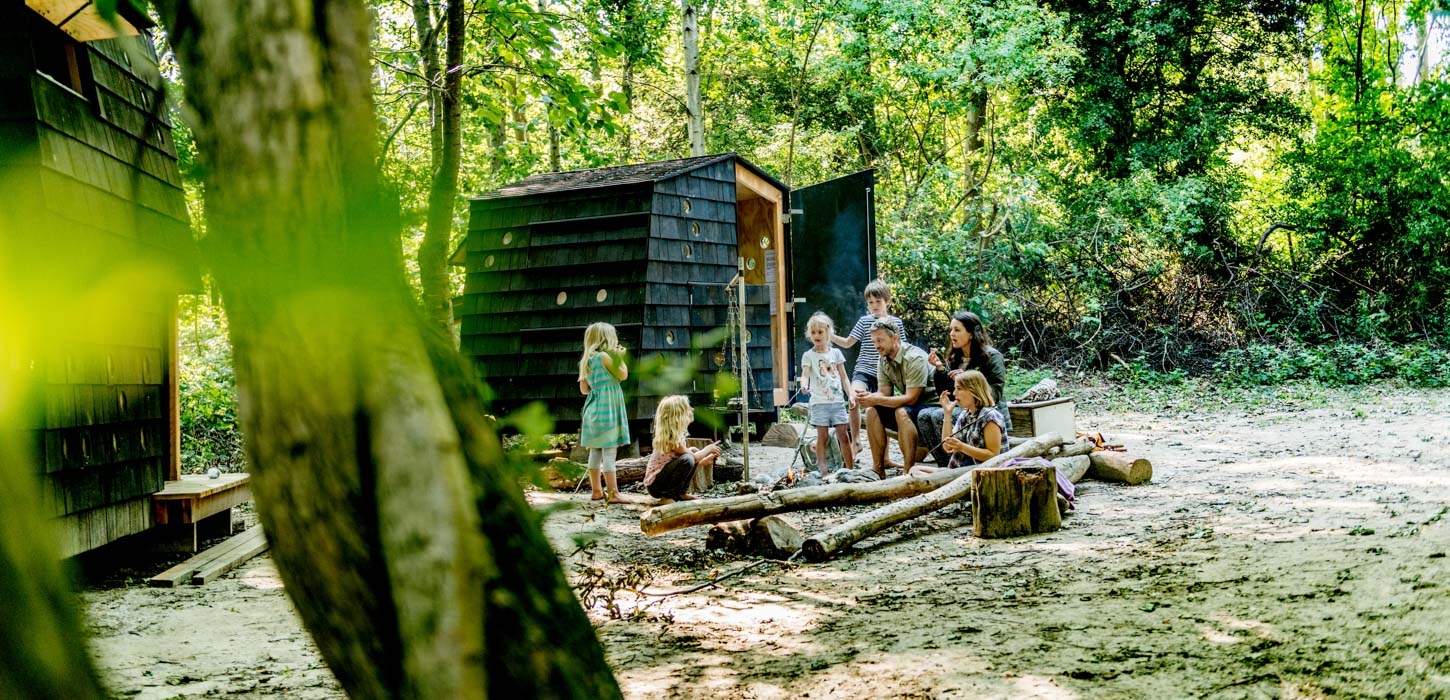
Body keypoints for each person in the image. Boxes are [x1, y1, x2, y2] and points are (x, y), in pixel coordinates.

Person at [917, 311, 1011, 464]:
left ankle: (957, 465)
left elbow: (995, 392)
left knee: (938, 415)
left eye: (957, 330)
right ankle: (945, 463)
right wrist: (940, 369)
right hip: (963, 408)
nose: (951, 334)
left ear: (971, 334)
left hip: (986, 411)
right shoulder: (955, 357)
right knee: (924, 415)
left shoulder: (992, 357)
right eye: (951, 329)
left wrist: (969, 378)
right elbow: (950, 393)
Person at [832, 279, 906, 448]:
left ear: (887, 301)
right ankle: (856, 440)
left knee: (881, 409)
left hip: (886, 373)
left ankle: (884, 453)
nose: (874, 305)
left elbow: (903, 348)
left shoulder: (896, 323)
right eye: (870, 302)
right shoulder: (864, 321)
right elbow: (848, 342)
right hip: (864, 368)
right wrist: (830, 336)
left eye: (878, 301)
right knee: (854, 397)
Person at [856, 318, 931, 477]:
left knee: (901, 412)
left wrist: (876, 399)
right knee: (872, 411)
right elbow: (884, 393)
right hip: (910, 407)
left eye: (880, 340)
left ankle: (907, 471)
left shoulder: (914, 357)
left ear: (895, 338)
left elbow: (912, 398)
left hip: (931, 408)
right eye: (874, 341)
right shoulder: (883, 358)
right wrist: (868, 397)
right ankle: (878, 468)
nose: (876, 345)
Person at [909, 370, 1006, 476]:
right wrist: (947, 413)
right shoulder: (966, 414)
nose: (954, 393)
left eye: (959, 389)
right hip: (960, 470)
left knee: (917, 477)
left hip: (981, 474)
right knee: (914, 470)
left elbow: (993, 455)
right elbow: (947, 447)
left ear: (973, 390)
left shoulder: (990, 417)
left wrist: (962, 447)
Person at [578, 322, 630, 502]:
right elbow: (623, 375)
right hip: (608, 410)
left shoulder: (586, 361)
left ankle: (596, 491)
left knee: (595, 452)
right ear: (607, 339)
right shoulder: (604, 357)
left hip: (593, 411)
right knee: (609, 453)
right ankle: (614, 493)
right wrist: (619, 358)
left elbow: (584, 390)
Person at [800, 312, 856, 476]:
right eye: (813, 332)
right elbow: (805, 374)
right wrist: (804, 385)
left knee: (843, 436)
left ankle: (850, 470)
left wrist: (850, 395)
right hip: (819, 403)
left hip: (837, 402)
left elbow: (844, 378)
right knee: (822, 437)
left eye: (820, 332)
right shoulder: (808, 355)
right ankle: (824, 473)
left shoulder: (836, 353)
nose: (816, 335)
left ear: (828, 332)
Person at [643, 395, 721, 503]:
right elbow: (691, 459)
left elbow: (686, 465)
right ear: (678, 415)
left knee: (691, 452)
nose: (692, 409)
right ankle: (667, 496)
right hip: (655, 485)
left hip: (663, 479)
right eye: (688, 408)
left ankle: (681, 493)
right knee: (688, 458)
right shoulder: (672, 439)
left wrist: (703, 461)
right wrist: (708, 449)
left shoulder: (678, 436)